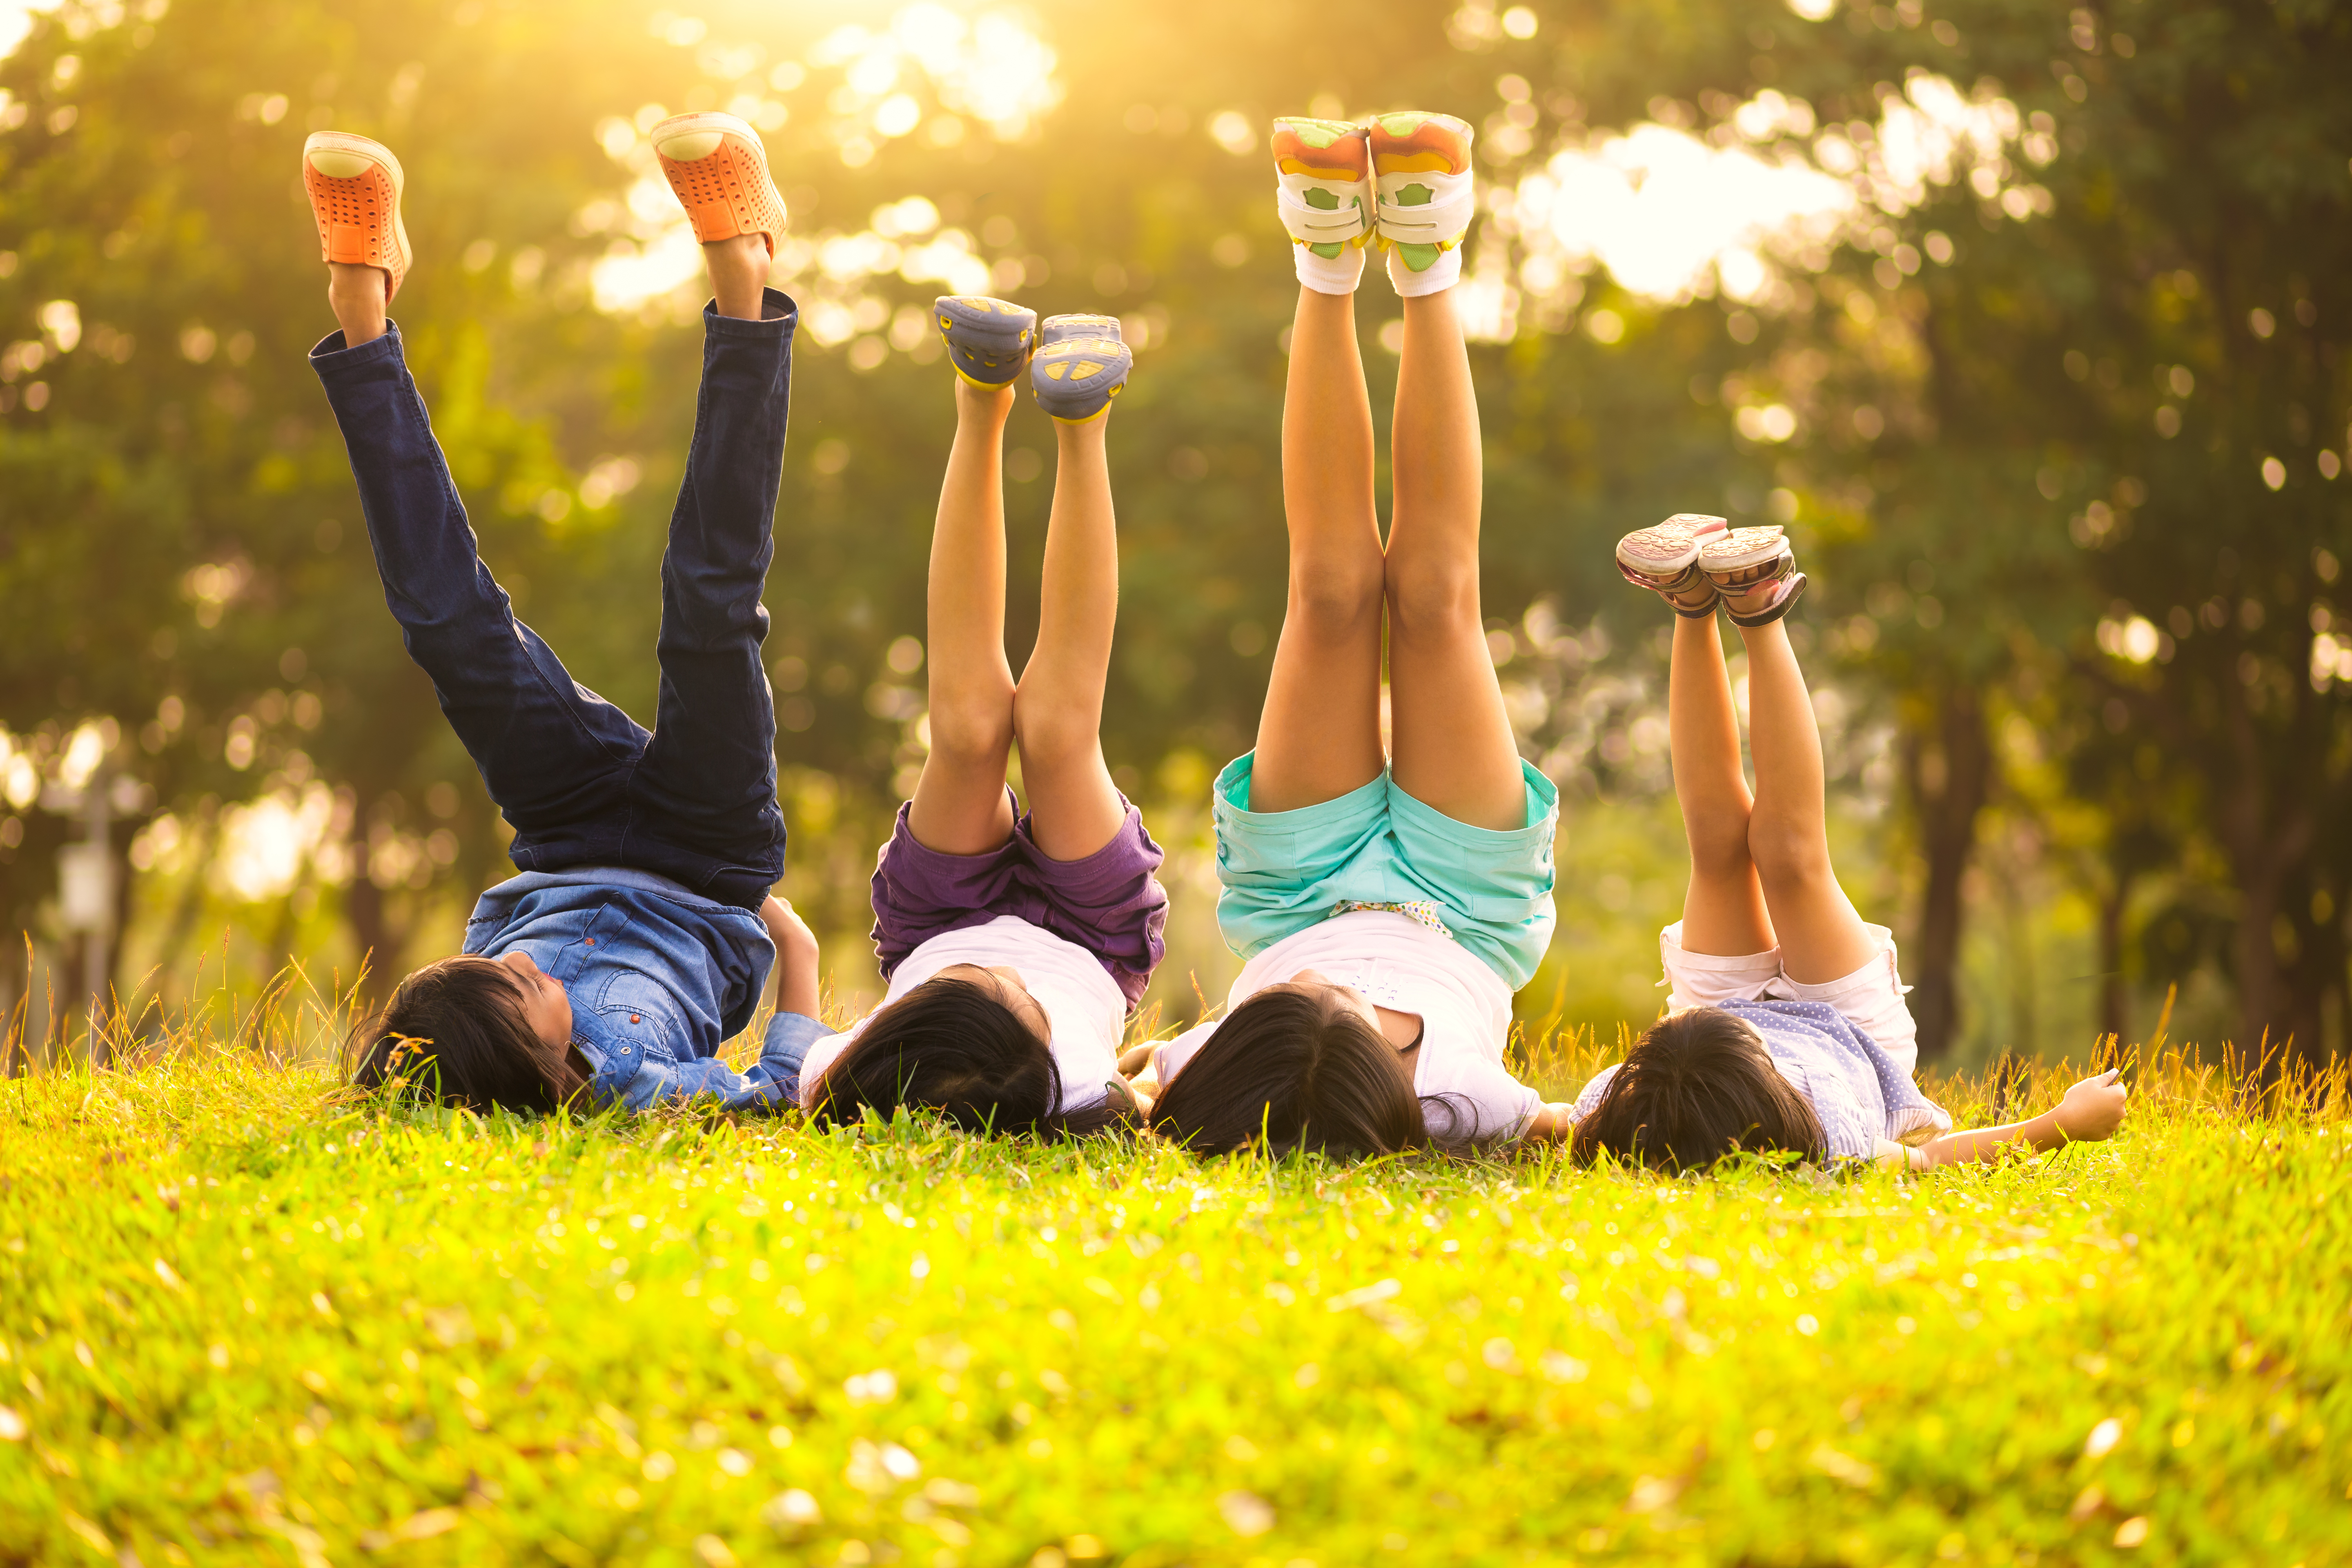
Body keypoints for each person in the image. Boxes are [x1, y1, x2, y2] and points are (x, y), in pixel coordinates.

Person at [310, 116, 829, 1112]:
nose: (513, 972)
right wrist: (793, 946)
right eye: (513, 989)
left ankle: (361, 306)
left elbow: (433, 1039)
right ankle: (745, 284)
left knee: (448, 630)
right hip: (711, 851)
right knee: (709, 611)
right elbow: (774, 1094)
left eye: (495, 977)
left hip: (564, 829)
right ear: (537, 1062)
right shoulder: (633, 1091)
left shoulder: (445, 1054)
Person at [1133, 112, 1573, 1156]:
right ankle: (1427, 260)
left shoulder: (1200, 1071)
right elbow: (1587, 1118)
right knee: (1433, 594)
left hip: (1294, 896)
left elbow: (1112, 1082)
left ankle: (1326, 260)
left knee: (1329, 591)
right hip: (1467, 906)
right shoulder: (1465, 1101)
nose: (1340, 996)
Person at [1564, 515, 2130, 1169]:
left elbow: (1534, 1123)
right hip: (1848, 1032)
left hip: (1700, 1053)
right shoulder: (1829, 1140)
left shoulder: (1619, 1111)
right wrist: (2062, 1123)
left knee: (1717, 847)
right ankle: (1758, 609)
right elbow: (1936, 1160)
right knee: (1788, 855)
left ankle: (1693, 604)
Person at [792, 299, 1167, 1138]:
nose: (1003, 970)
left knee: (965, 731)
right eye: (1019, 1000)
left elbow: (781, 1067)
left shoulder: (844, 1074)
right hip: (1091, 933)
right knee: (1057, 732)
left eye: (973, 984)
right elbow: (1155, 1099)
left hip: (936, 917)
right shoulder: (1074, 1092)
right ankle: (1082, 419)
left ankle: (982, 391)